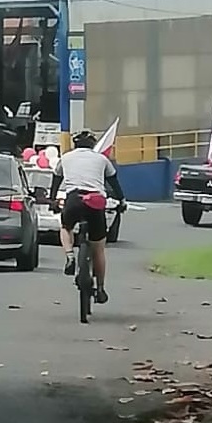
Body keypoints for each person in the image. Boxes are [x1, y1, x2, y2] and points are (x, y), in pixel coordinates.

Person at [48, 130, 126, 304]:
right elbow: (114, 182)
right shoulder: (101, 159)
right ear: (92, 145)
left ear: (75, 144)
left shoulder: (66, 158)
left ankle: (70, 256)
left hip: (74, 199)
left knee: (66, 227)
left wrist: (52, 200)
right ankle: (100, 288)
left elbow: (56, 179)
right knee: (98, 248)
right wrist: (122, 200)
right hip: (96, 201)